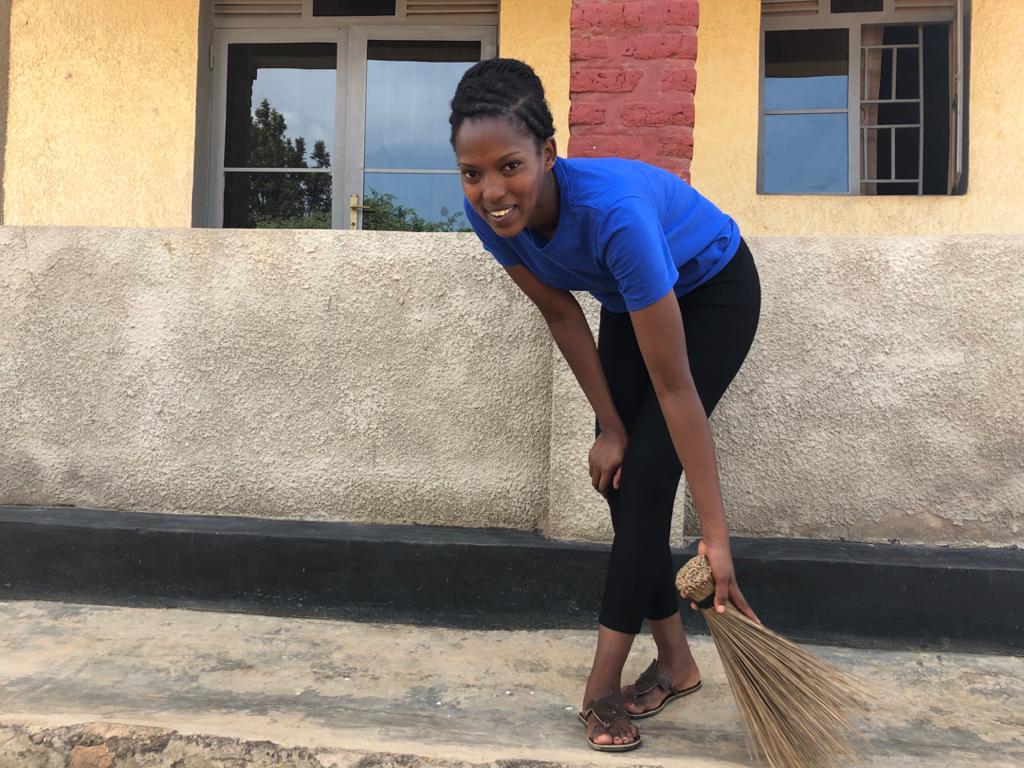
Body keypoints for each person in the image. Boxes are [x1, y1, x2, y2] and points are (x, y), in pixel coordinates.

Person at [449, 58, 762, 753]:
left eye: (509, 167)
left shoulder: (614, 217)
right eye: (474, 174)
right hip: (631, 296)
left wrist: (715, 536)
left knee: (650, 480)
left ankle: (601, 690)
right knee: (624, 481)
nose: (493, 192)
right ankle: (677, 663)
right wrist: (612, 429)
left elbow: (676, 387)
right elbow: (564, 316)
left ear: (549, 154)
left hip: (712, 290)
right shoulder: (487, 214)